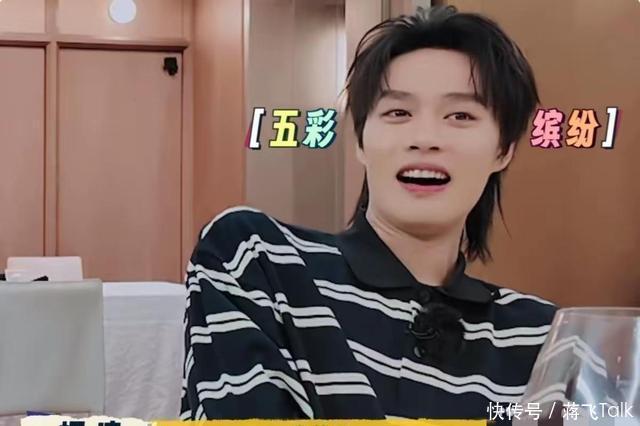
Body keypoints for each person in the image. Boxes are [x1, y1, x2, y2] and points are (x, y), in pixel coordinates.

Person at [180, 5, 557, 420]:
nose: (425, 138)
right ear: (360, 140)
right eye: (398, 113)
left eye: (461, 115)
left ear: (503, 150)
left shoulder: (547, 338)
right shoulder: (256, 260)